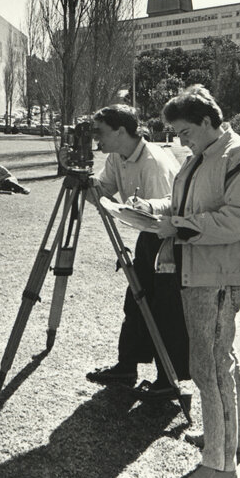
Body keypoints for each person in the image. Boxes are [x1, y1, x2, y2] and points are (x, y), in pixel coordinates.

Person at [133, 85, 240, 478]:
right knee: (219, 359)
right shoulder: (207, 154)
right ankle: (231, 440)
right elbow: (187, 205)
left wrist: (178, 227)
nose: (180, 141)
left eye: (185, 132)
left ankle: (219, 465)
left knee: (208, 367)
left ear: (208, 121)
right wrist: (152, 209)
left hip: (217, 274)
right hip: (204, 270)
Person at [84, 104, 190, 399]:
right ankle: (127, 366)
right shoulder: (117, 156)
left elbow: (164, 213)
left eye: (100, 132)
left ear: (120, 131)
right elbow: (102, 193)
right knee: (135, 301)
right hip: (148, 235)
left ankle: (167, 379)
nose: (96, 138)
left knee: (163, 308)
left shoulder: (152, 162)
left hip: (168, 239)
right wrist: (81, 178)